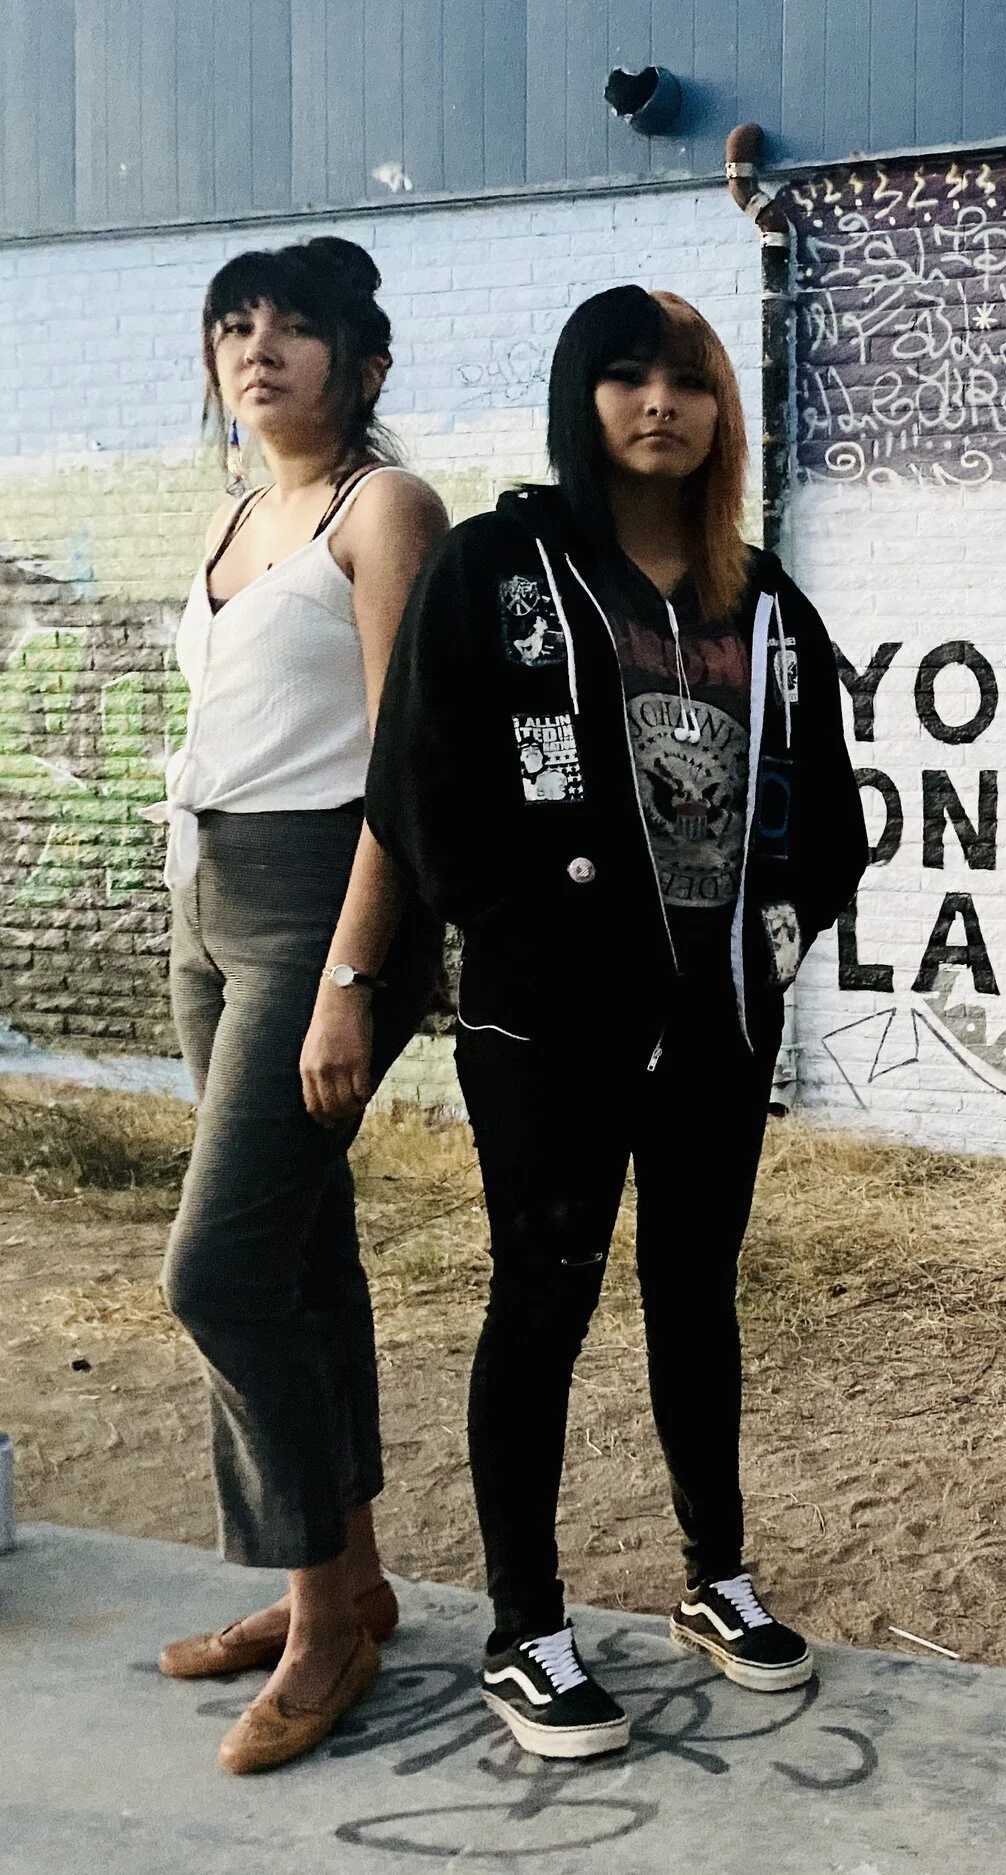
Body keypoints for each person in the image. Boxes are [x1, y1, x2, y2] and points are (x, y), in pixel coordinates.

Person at [368, 287, 869, 1758]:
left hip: (717, 1022)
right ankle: (528, 1628)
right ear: (579, 400)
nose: (661, 403)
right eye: (626, 376)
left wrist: (783, 930)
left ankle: (715, 1576)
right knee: (545, 1300)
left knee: (696, 1292)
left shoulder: (763, 600)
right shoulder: (498, 570)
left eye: (690, 381)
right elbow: (419, 784)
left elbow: (828, 807)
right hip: (549, 1031)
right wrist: (518, 941)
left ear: (723, 412)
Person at [152, 237, 449, 1774]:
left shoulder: (381, 508)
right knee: (300, 1257)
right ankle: (337, 1579)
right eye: (236, 325)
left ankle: (330, 1616)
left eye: (296, 328)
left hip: (324, 911)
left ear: (364, 363)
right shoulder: (235, 512)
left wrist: (347, 980)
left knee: (215, 1268)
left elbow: (405, 766)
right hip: (212, 901)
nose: (259, 349)